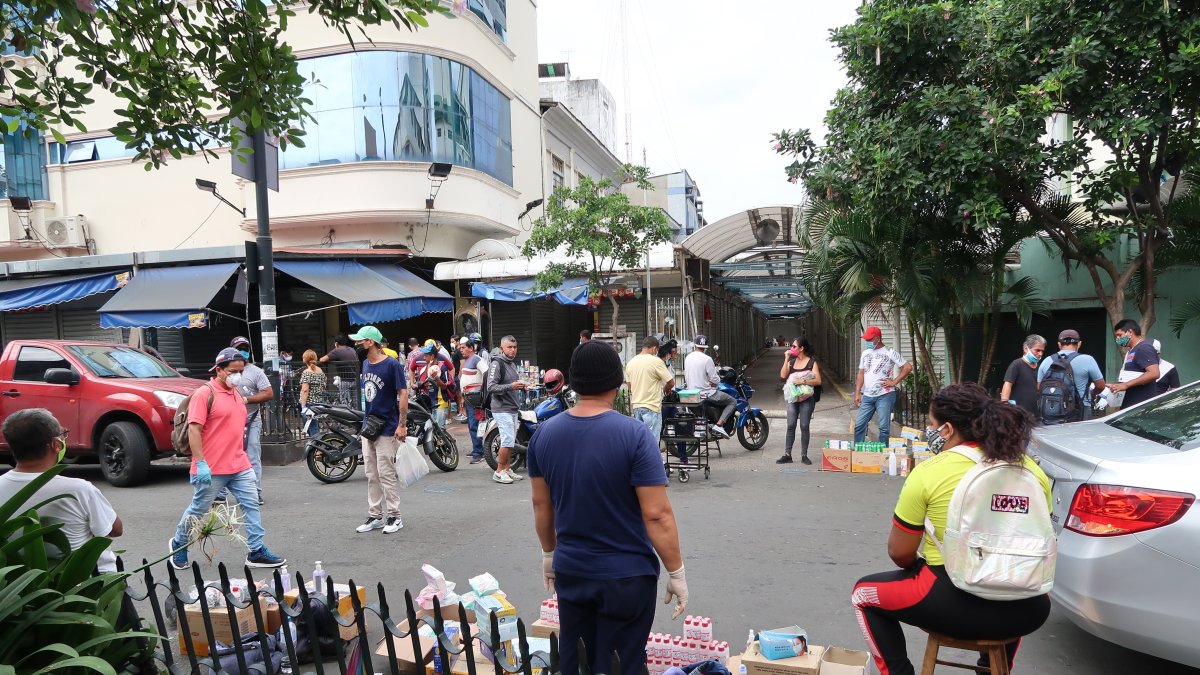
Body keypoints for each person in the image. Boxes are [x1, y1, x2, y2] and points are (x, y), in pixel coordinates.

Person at [851, 383, 1052, 675]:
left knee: (863, 594)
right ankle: (992, 668)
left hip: (952, 605)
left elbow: (900, 553)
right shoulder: (1031, 470)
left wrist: (922, 566)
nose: (930, 431)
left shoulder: (930, 471)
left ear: (947, 429)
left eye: (932, 425)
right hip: (1027, 610)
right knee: (1015, 575)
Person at [528, 340, 688, 675]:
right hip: (626, 577)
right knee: (620, 664)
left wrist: (548, 553)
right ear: (617, 382)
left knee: (578, 661)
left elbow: (541, 505)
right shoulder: (635, 435)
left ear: (572, 381)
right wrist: (676, 572)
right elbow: (657, 514)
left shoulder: (544, 435)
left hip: (572, 571)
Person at [169, 348, 285, 569]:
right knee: (198, 510)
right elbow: (194, 430)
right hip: (212, 467)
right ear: (219, 370)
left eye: (241, 371)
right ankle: (179, 544)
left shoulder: (236, 393)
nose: (237, 375)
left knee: (251, 505)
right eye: (233, 371)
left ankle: (256, 550)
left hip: (239, 464)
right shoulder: (204, 394)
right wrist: (200, 463)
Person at [0, 408, 122, 571]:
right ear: (56, 445)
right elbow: (115, 529)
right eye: (62, 434)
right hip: (83, 582)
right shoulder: (78, 489)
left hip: (17, 582)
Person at [350, 326, 408, 535]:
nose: (356, 344)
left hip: (387, 426)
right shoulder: (365, 363)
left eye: (360, 341)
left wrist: (402, 424)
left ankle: (395, 516)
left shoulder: (392, 365)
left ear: (371, 342)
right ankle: (375, 515)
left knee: (386, 474)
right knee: (371, 474)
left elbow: (403, 393)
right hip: (369, 426)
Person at [215, 336, 274, 506]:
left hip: (251, 419)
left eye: (245, 349)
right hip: (228, 420)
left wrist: (247, 399)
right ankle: (219, 493)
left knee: (252, 455)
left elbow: (268, 393)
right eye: (239, 348)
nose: (243, 352)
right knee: (224, 455)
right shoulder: (225, 371)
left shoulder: (256, 372)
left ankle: (254, 492)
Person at [854, 326, 912, 443]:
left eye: (870, 339)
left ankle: (883, 451)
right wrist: (857, 393)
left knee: (883, 428)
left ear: (878, 338)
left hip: (885, 395)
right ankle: (858, 450)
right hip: (868, 396)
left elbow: (907, 367)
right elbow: (861, 373)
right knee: (859, 424)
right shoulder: (865, 353)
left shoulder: (890, 352)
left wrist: (894, 382)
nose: (867, 342)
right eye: (866, 339)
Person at [1037, 329, 1106, 420]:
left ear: (1059, 344)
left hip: (1051, 410)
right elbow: (1100, 386)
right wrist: (1092, 394)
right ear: (1079, 344)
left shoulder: (1046, 360)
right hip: (1081, 409)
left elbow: (1039, 387)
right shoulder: (1088, 359)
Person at [488, 335, 527, 484]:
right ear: (502, 348)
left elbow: (512, 385)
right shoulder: (497, 363)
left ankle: (507, 469)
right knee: (507, 441)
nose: (513, 350)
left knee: (510, 441)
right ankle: (499, 472)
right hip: (501, 408)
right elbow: (491, 387)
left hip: (512, 408)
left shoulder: (512, 364)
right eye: (509, 347)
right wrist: (511, 386)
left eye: (515, 347)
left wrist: (522, 387)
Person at [777, 338, 823, 465]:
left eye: (794, 346)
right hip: (793, 398)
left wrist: (802, 381)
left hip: (807, 399)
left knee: (804, 426)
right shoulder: (792, 363)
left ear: (801, 348)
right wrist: (786, 358)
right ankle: (787, 454)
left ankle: (804, 455)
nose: (791, 348)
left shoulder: (811, 363)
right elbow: (783, 375)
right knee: (791, 425)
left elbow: (818, 381)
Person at [626, 335, 677, 440]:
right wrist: (666, 389)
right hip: (652, 407)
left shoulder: (631, 363)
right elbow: (671, 383)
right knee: (652, 442)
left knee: (640, 441)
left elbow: (629, 387)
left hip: (636, 407)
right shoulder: (656, 361)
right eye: (657, 350)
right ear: (654, 348)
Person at [682, 335, 733, 439]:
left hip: (690, 394)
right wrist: (713, 382)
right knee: (732, 401)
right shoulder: (707, 359)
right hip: (705, 394)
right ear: (705, 347)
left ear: (695, 345)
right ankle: (719, 425)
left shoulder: (688, 357)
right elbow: (715, 379)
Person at [1108, 319, 1161, 409]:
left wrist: (1125, 385)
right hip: (1130, 405)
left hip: (1141, 407)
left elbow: (1154, 373)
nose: (1117, 339)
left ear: (1130, 332)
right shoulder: (1131, 351)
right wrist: (1117, 385)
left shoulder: (1144, 348)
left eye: (1119, 335)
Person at [999, 334, 1046, 416]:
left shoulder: (1040, 367)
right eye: (1037, 350)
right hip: (1019, 414)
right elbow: (1007, 384)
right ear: (1025, 349)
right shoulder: (1016, 364)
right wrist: (1004, 404)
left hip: (1037, 414)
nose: (1040, 354)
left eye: (1042, 351)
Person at [459, 338, 487, 464]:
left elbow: (486, 373)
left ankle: (478, 452)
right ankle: (477, 449)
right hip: (469, 397)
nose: (461, 350)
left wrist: (483, 391)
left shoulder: (476, 359)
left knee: (474, 424)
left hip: (475, 397)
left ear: (471, 348)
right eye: (460, 348)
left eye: (463, 347)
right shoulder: (468, 361)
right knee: (471, 425)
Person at [320, 334, 359, 406]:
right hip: (355, 380)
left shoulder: (337, 351)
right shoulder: (352, 349)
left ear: (336, 343)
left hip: (345, 381)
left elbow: (322, 360)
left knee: (345, 404)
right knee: (356, 404)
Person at [298, 349, 328, 438]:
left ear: (305, 359)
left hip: (309, 403)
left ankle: (316, 445)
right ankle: (316, 443)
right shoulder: (320, 371)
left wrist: (303, 406)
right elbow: (324, 384)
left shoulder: (306, 372)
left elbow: (305, 390)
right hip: (319, 402)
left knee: (312, 426)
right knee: (312, 425)